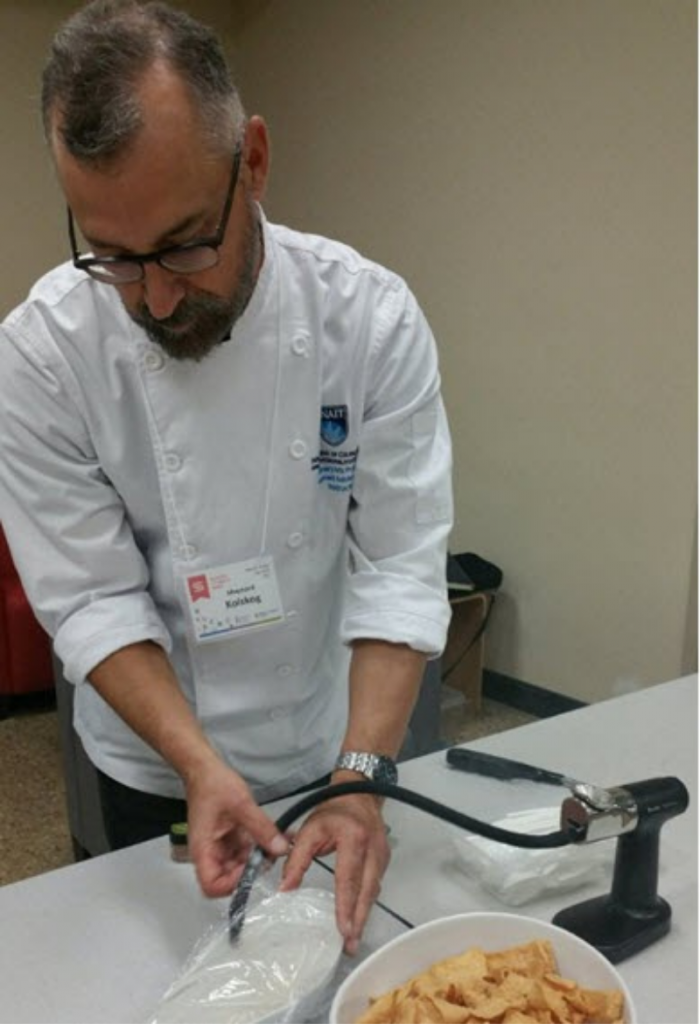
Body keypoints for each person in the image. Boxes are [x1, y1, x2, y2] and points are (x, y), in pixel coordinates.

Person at [0, 0, 453, 954]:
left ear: (252, 159)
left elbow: (401, 566)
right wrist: (198, 766)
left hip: (332, 734)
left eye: (184, 245)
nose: (156, 297)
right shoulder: (42, 356)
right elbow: (89, 599)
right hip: (157, 766)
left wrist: (362, 771)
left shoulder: (366, 320)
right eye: (112, 258)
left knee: (342, 962)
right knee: (172, 967)